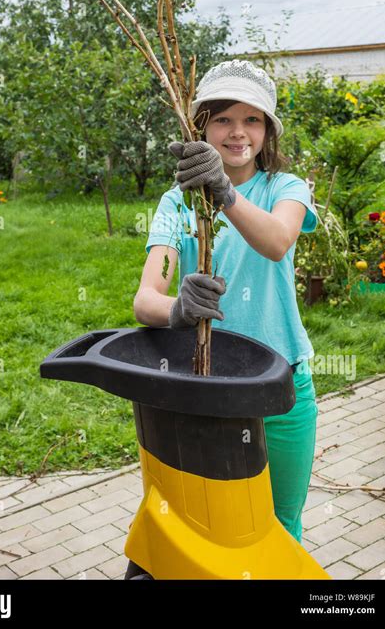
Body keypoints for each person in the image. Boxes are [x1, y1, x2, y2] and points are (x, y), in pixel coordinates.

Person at [133, 59, 318, 544]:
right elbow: (146, 298)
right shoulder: (178, 204)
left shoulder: (286, 188)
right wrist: (177, 310)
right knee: (215, 529)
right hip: (208, 389)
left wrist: (225, 193)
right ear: (202, 127)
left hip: (284, 387)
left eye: (251, 119)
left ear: (267, 131)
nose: (238, 133)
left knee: (281, 524)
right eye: (223, 119)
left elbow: (277, 240)